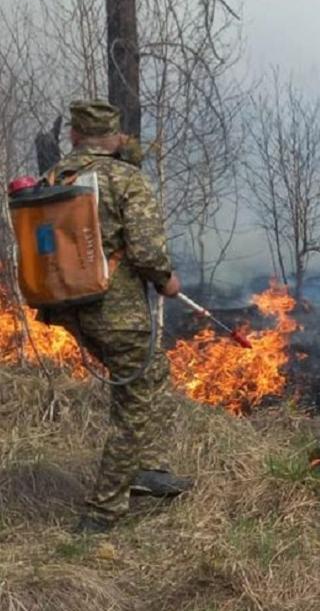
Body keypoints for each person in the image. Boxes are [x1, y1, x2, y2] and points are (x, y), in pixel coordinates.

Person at [42, 99, 193, 535]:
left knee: (154, 373)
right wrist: (166, 281)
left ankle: (143, 469)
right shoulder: (124, 179)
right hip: (118, 313)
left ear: (73, 136)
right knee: (132, 404)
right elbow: (147, 250)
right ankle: (103, 511)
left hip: (68, 309)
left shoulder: (53, 178)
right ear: (113, 137)